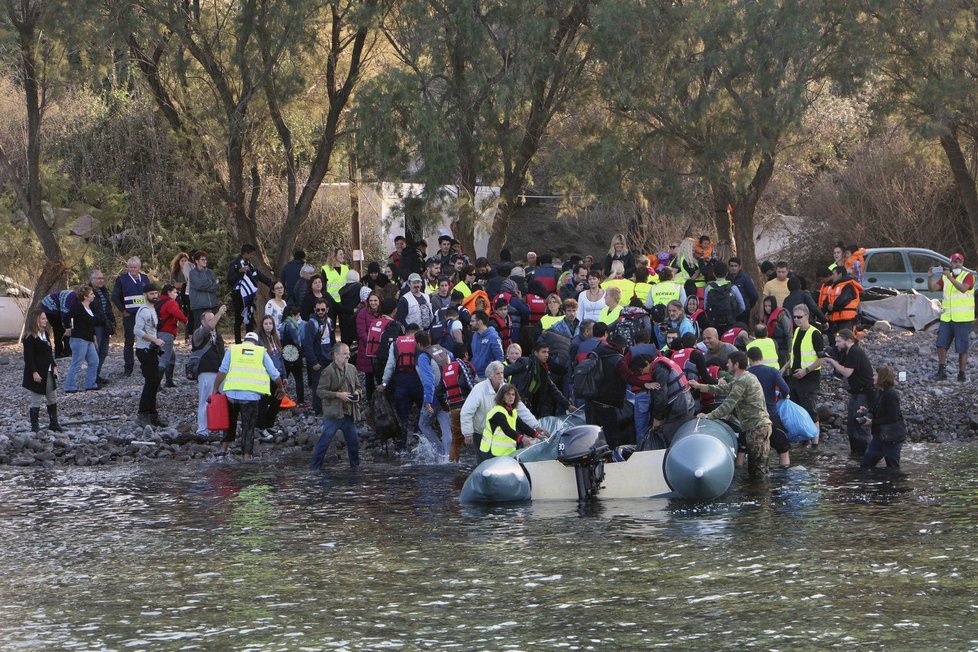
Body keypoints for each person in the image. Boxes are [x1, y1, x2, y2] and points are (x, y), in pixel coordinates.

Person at [692, 351, 772, 478]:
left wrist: (708, 416)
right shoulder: (747, 377)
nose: (727, 365)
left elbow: (728, 404)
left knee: (757, 471)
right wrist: (699, 386)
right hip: (761, 427)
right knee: (761, 467)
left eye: (729, 363)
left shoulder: (743, 381)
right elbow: (722, 389)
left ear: (736, 364)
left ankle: (760, 497)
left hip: (756, 428)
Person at [213, 331, 286, 460]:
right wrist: (280, 387)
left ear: (244, 340)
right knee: (248, 426)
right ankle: (247, 456)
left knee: (229, 423)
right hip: (250, 397)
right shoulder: (261, 351)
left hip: (232, 394)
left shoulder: (233, 349)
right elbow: (274, 373)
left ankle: (223, 450)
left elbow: (222, 370)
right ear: (256, 342)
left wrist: (215, 389)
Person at [460, 362, 546, 456]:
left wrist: (536, 426)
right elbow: (466, 412)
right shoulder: (479, 389)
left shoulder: (507, 389)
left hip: (501, 435)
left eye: (502, 373)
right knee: (484, 463)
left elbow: (521, 409)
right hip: (481, 432)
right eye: (498, 373)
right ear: (490, 375)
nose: (501, 375)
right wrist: (468, 433)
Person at [821, 328, 875, 457]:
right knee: (851, 425)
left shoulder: (855, 351)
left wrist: (832, 362)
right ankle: (855, 455)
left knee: (860, 424)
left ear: (849, 340)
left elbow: (846, 372)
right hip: (856, 393)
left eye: (839, 341)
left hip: (864, 393)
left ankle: (865, 455)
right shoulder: (848, 352)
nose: (836, 344)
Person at [310, 343, 363, 469]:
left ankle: (355, 467)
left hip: (349, 412)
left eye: (348, 353)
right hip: (333, 414)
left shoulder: (351, 368)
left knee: (353, 443)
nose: (348, 356)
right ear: (336, 355)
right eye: (345, 354)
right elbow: (320, 391)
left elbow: (359, 387)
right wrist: (338, 395)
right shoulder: (327, 371)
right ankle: (314, 469)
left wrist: (357, 393)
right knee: (324, 443)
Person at [782, 304, 824, 448]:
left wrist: (806, 370)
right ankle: (803, 437)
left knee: (810, 407)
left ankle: (815, 442)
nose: (797, 320)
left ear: (807, 316)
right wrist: (784, 368)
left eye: (799, 317)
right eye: (794, 317)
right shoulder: (798, 331)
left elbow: (822, 358)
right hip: (795, 376)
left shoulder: (815, 333)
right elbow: (795, 355)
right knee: (797, 407)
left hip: (810, 377)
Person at [928, 252, 975, 382]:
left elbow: (963, 289)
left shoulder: (968, 276)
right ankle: (942, 371)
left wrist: (950, 278)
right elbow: (932, 289)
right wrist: (930, 278)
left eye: (959, 261)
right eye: (955, 261)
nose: (957, 264)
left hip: (962, 319)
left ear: (963, 263)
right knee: (940, 344)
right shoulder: (945, 278)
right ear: (951, 263)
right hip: (947, 317)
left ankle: (961, 374)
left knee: (962, 348)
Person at [745, 346, 792, 467]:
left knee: (744, 448)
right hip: (770, 414)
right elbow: (786, 389)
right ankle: (784, 474)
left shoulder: (745, 374)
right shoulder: (772, 371)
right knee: (783, 447)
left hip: (750, 417)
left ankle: (742, 472)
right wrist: (781, 396)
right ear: (762, 357)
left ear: (749, 359)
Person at [380, 324, 423, 452]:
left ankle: (402, 447)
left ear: (406, 332)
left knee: (402, 417)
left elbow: (390, 366)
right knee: (423, 411)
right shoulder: (419, 343)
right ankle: (419, 439)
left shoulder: (396, 344)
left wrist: (384, 383)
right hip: (417, 383)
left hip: (401, 384)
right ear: (417, 332)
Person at [504, 340, 571, 418]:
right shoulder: (525, 362)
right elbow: (504, 371)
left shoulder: (542, 368)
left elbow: (552, 388)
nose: (546, 355)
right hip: (517, 403)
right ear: (536, 353)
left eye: (547, 352)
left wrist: (567, 405)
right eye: (543, 352)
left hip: (530, 405)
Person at [479, 384, 546, 460]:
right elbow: (507, 430)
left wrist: (537, 435)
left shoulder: (512, 411)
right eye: (508, 394)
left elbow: (522, 426)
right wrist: (523, 439)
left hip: (504, 452)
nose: (511, 397)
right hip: (491, 451)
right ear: (502, 397)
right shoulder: (498, 412)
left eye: (513, 394)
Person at [436, 343, 478, 462]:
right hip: (468, 408)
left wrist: (446, 407)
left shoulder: (447, 368)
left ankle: (452, 464)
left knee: (456, 440)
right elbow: (468, 384)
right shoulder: (464, 365)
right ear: (466, 354)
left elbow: (439, 392)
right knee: (480, 434)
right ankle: (482, 463)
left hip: (454, 409)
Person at [22, 309, 63, 432]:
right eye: (43, 318)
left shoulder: (45, 334)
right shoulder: (29, 337)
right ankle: (35, 426)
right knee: (36, 399)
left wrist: (54, 366)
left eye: (45, 318)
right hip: (37, 372)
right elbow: (28, 357)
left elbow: (49, 353)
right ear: (36, 320)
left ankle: (54, 423)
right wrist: (34, 372)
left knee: (52, 396)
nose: (46, 320)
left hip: (49, 370)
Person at [111, 256, 152, 377]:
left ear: (139, 267)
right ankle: (128, 368)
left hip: (143, 315)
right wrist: (123, 310)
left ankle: (146, 365)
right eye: (131, 267)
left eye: (135, 267)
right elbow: (115, 296)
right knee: (129, 341)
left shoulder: (144, 278)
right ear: (127, 267)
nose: (133, 269)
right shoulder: (122, 279)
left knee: (146, 340)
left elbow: (150, 294)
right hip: (130, 315)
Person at [191, 306, 227, 438]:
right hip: (206, 372)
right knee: (205, 401)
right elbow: (208, 328)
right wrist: (219, 313)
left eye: (214, 319)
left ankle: (224, 428)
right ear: (203, 321)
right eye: (210, 319)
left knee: (225, 399)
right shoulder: (198, 333)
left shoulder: (217, 335)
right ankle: (202, 430)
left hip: (221, 372)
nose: (214, 321)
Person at [416, 331, 455, 455]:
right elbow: (452, 359)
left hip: (434, 396)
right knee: (445, 424)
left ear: (418, 344)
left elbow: (429, 381)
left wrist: (427, 401)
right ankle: (449, 456)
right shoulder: (441, 349)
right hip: (447, 392)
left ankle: (440, 452)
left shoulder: (423, 357)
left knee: (423, 424)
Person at [860, 366, 906, 469]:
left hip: (892, 437)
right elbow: (880, 410)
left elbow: (892, 417)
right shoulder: (880, 392)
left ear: (882, 377)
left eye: (875, 375)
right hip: (879, 436)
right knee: (866, 464)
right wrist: (866, 411)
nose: (873, 377)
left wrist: (873, 422)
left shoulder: (891, 394)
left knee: (892, 467)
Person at [133, 283, 166, 426]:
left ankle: (152, 414)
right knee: (151, 382)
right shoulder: (144, 311)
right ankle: (142, 414)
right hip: (144, 350)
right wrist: (155, 340)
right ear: (145, 295)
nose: (154, 296)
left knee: (154, 383)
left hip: (151, 350)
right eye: (151, 293)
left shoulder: (153, 309)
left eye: (155, 293)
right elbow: (137, 331)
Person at [227, 243, 273, 344]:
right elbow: (230, 280)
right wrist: (239, 271)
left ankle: (249, 341)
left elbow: (258, 276)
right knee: (238, 319)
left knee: (249, 317)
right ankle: (238, 342)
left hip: (249, 296)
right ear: (245, 253)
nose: (251, 256)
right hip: (238, 296)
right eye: (251, 254)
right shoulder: (235, 263)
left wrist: (272, 284)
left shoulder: (250, 264)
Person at [64, 285, 100, 393]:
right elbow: (66, 316)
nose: (93, 296)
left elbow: (91, 325)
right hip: (79, 340)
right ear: (85, 297)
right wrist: (68, 328)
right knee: (77, 363)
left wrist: (94, 339)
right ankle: (69, 386)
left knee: (94, 361)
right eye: (91, 294)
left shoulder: (90, 308)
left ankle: (90, 384)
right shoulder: (78, 307)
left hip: (89, 340)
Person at [303, 298, 335, 416]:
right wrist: (313, 361)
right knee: (318, 384)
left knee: (330, 383)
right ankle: (318, 409)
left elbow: (332, 340)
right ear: (314, 310)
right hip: (318, 358)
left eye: (323, 309)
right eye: (318, 309)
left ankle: (328, 406)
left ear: (327, 309)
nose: (320, 311)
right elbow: (308, 344)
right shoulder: (311, 324)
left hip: (328, 356)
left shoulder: (330, 321)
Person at [257, 315, 286, 437]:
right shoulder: (259, 340)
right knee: (263, 403)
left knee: (276, 402)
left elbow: (280, 358)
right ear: (262, 325)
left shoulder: (275, 338)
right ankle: (261, 427)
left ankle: (270, 425)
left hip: (277, 375)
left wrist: (284, 375)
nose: (268, 326)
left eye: (270, 323)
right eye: (266, 323)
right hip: (265, 377)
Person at [156, 284, 188, 389]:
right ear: (169, 292)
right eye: (175, 292)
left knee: (171, 357)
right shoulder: (170, 302)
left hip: (157, 333)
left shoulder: (158, 301)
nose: (176, 294)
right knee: (164, 358)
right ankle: (156, 384)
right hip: (166, 333)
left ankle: (168, 381)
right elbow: (177, 313)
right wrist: (186, 321)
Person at [821, 265, 862, 346]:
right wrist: (829, 306)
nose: (832, 276)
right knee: (834, 343)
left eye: (833, 274)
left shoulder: (849, 285)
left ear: (840, 274)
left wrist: (832, 306)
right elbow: (825, 302)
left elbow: (843, 300)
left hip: (846, 321)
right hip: (834, 320)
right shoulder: (833, 287)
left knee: (846, 343)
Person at [89, 269, 115, 385]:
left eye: (102, 278)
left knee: (103, 352)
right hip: (95, 326)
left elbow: (108, 308)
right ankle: (91, 379)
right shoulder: (88, 292)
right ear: (92, 280)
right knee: (95, 352)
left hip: (106, 324)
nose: (101, 280)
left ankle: (96, 375)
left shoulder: (104, 291)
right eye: (98, 278)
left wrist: (112, 321)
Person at [356, 292, 382, 398]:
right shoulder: (362, 313)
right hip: (367, 348)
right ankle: (370, 398)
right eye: (371, 300)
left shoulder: (382, 313)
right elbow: (361, 332)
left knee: (381, 375)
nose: (373, 303)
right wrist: (373, 344)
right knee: (369, 376)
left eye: (375, 300)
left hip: (381, 348)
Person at [188, 250, 219, 338]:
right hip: (199, 306)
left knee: (214, 328)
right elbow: (199, 285)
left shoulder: (210, 272)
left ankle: (214, 347)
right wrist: (211, 283)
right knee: (199, 329)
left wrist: (210, 285)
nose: (205, 261)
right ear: (197, 261)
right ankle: (198, 348)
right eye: (202, 259)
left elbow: (216, 286)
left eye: (206, 259)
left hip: (212, 304)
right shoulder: (193, 273)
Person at [279, 306, 305, 407]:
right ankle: (301, 401)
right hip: (294, 354)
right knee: (299, 378)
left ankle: (279, 399)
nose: (298, 318)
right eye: (298, 315)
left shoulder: (283, 324)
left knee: (284, 377)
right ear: (294, 315)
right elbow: (297, 340)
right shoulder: (292, 325)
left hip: (285, 353)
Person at [470, 310, 504, 377]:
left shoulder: (493, 337)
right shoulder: (475, 336)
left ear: (480, 322)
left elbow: (500, 358)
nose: (470, 323)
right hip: (476, 375)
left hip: (488, 377)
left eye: (472, 321)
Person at [169, 251, 193, 340]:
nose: (184, 262)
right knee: (175, 316)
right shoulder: (175, 272)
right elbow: (173, 285)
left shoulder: (191, 272)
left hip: (188, 295)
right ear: (178, 262)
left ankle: (187, 337)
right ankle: (172, 335)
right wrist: (184, 284)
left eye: (186, 260)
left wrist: (181, 284)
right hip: (177, 295)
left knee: (188, 316)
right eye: (182, 261)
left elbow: (190, 283)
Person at [727, 257, 758, 324]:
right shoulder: (727, 279)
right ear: (729, 267)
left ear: (740, 267)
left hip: (743, 313)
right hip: (730, 312)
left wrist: (748, 306)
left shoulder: (745, 279)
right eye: (732, 266)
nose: (734, 268)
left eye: (736, 266)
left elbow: (754, 295)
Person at [336, 270, 363, 346]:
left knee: (346, 343)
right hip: (357, 318)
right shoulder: (360, 288)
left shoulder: (342, 291)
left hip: (344, 319)